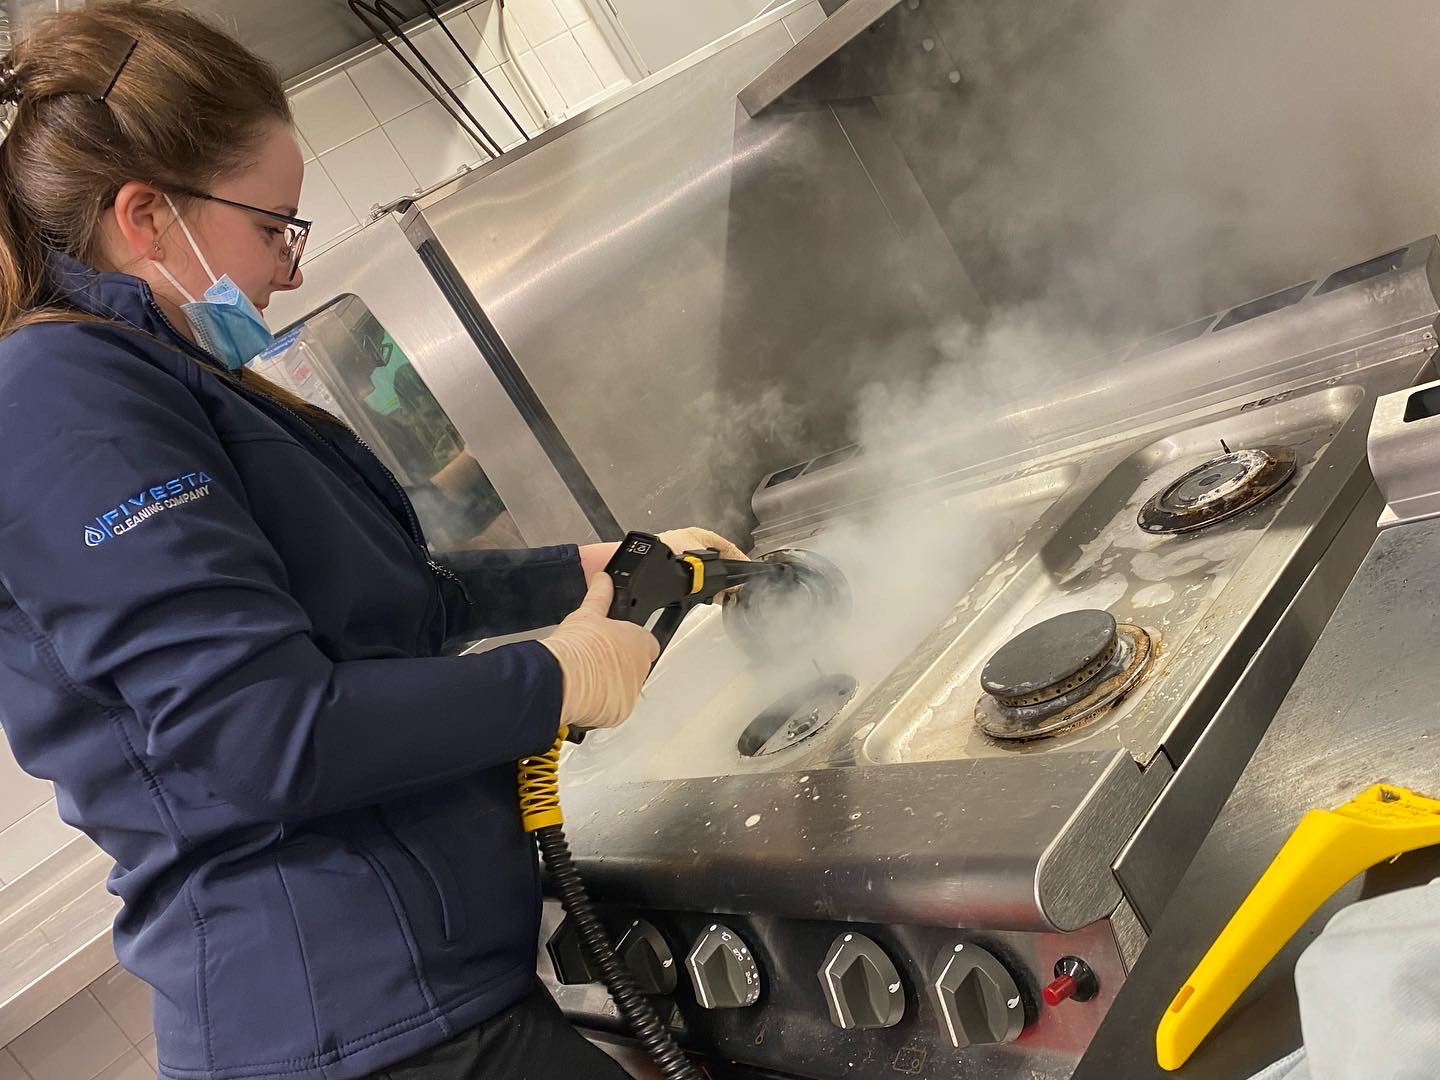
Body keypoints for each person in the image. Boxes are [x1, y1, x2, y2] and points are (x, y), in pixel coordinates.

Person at [0, 4, 744, 1078]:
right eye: (273, 228)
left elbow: (391, 606)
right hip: (358, 1020)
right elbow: (268, 733)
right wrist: (553, 676)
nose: (290, 272)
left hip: (424, 999)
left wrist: (578, 573)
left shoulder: (158, 374)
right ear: (147, 216)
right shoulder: (58, 396)